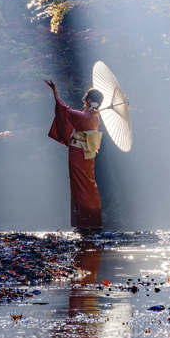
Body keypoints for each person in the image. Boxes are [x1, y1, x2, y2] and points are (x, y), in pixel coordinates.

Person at [45, 79, 104, 233]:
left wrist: (54, 90)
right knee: (89, 184)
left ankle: (84, 223)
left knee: (79, 185)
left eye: (86, 94)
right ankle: (94, 221)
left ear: (89, 100)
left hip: (78, 153)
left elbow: (63, 109)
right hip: (89, 154)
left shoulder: (84, 116)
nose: (84, 95)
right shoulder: (95, 117)